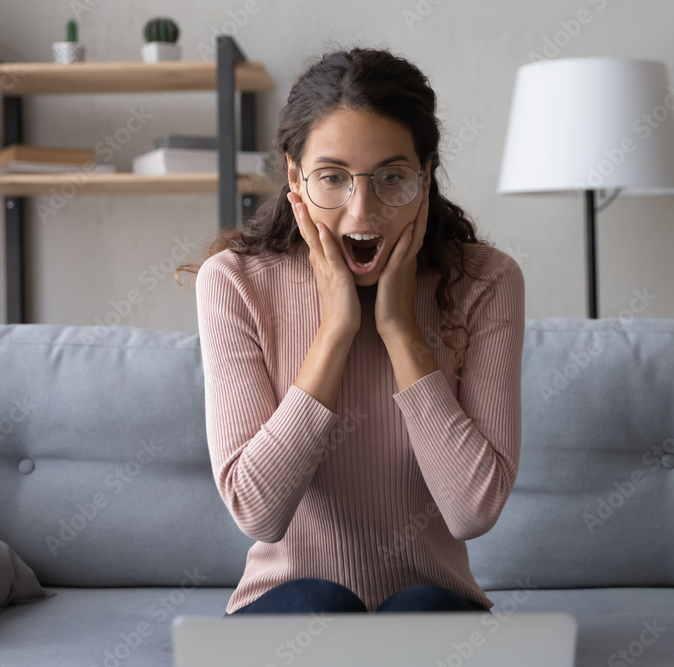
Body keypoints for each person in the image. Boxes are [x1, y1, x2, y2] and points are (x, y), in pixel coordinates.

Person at [176, 44, 525, 616]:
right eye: (333, 178)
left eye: (391, 177)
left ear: (426, 177)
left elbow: (472, 511)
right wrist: (336, 330)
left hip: (432, 612)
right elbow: (257, 514)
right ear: (295, 174)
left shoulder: (485, 282)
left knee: (421, 609)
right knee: (318, 600)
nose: (362, 213)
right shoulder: (235, 281)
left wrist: (399, 330)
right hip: (287, 607)